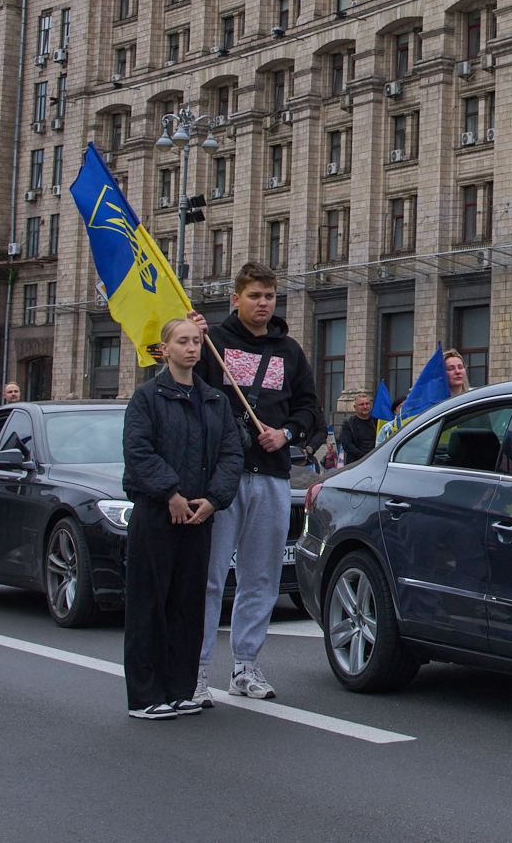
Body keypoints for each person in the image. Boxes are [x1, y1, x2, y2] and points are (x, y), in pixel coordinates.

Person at [189, 262, 321, 704]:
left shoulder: (288, 350)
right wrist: (189, 337)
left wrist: (285, 434)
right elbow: (179, 381)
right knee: (208, 577)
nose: (263, 304)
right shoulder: (212, 342)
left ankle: (245, 666)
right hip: (220, 479)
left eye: (269, 296)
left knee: (260, 576)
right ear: (236, 299)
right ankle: (197, 670)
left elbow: (309, 411)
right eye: (254, 296)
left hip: (271, 476)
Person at [122, 316, 242, 720]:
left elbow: (231, 455)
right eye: (183, 342)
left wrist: (213, 499)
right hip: (157, 515)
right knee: (149, 604)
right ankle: (145, 696)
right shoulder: (147, 398)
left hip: (199, 518)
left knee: (187, 605)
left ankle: (179, 689)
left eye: (196, 342)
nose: (191, 348)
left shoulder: (215, 401)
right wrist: (170, 492)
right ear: (166, 349)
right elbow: (139, 451)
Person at [338, 390, 377, 465]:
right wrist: (365, 457)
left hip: (375, 463)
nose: (365, 407)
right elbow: (347, 445)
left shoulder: (376, 422)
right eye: (361, 404)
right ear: (355, 407)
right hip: (356, 465)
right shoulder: (348, 424)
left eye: (367, 404)